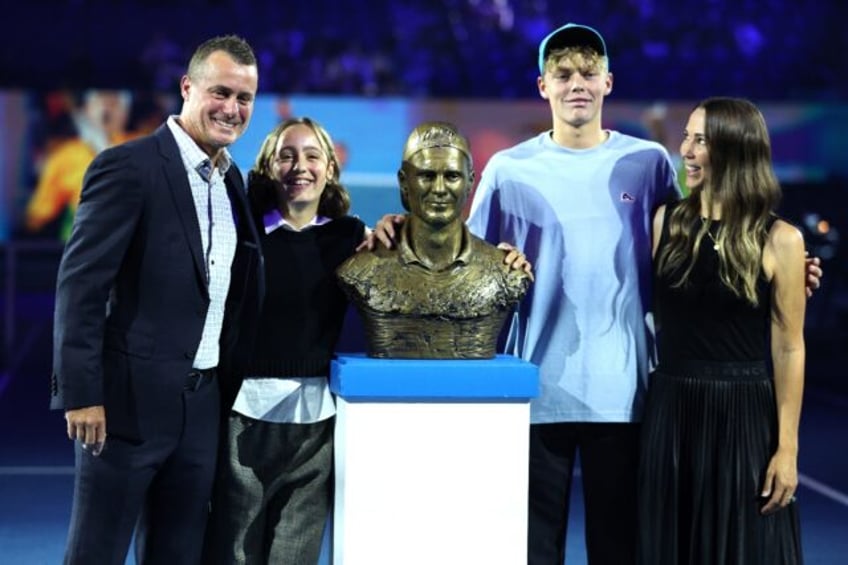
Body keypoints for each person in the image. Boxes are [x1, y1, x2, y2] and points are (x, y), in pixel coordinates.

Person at [370, 24, 822, 565]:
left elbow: (699, 250)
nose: (576, 83)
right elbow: (455, 254)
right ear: (543, 86)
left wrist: (787, 274)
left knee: (621, 550)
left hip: (628, 399)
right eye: (563, 74)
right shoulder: (509, 169)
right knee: (532, 552)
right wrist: (398, 229)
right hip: (533, 394)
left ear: (609, 82)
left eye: (588, 72)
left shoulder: (650, 163)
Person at [51, 35, 262, 565]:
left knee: (177, 555)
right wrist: (81, 393)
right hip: (123, 408)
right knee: (95, 554)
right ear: (187, 87)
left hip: (201, 408)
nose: (232, 109)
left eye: (244, 98)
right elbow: (81, 285)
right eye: (220, 92)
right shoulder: (129, 167)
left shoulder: (232, 180)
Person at [638, 97, 805, 564]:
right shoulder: (664, 224)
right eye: (686, 137)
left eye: (700, 140)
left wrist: (787, 448)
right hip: (671, 416)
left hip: (746, 419)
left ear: (735, 151)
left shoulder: (782, 240)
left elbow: (790, 348)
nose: (686, 150)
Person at [203, 117, 366, 564]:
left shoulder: (349, 236)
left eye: (312, 155)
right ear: (268, 168)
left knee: (295, 555)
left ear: (330, 168)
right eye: (287, 155)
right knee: (234, 552)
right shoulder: (242, 235)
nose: (301, 166)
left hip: (316, 427)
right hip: (243, 420)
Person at [338, 121, 531, 359]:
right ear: (404, 182)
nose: (439, 189)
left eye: (451, 176)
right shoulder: (361, 271)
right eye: (427, 176)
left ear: (469, 182)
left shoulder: (506, 273)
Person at [26, 89, 137, 241]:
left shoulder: (144, 146)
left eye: (113, 103)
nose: (106, 110)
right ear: (87, 109)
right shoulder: (64, 156)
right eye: (100, 101)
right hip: (81, 249)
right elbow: (38, 216)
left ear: (126, 111)